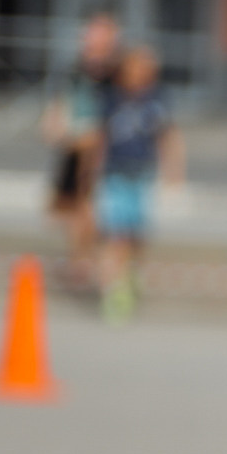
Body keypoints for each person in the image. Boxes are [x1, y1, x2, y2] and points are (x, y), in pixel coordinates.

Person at [91, 46, 182, 324]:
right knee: (114, 236)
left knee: (136, 235)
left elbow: (168, 136)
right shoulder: (111, 99)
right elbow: (100, 138)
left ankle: (131, 275)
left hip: (142, 173)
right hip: (114, 173)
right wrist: (91, 172)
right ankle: (113, 292)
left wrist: (173, 171)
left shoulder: (157, 100)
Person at [40, 13, 118, 292]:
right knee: (68, 207)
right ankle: (78, 259)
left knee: (92, 207)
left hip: (100, 149)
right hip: (73, 145)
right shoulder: (74, 69)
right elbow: (60, 100)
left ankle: (89, 262)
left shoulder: (115, 72)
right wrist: (52, 124)